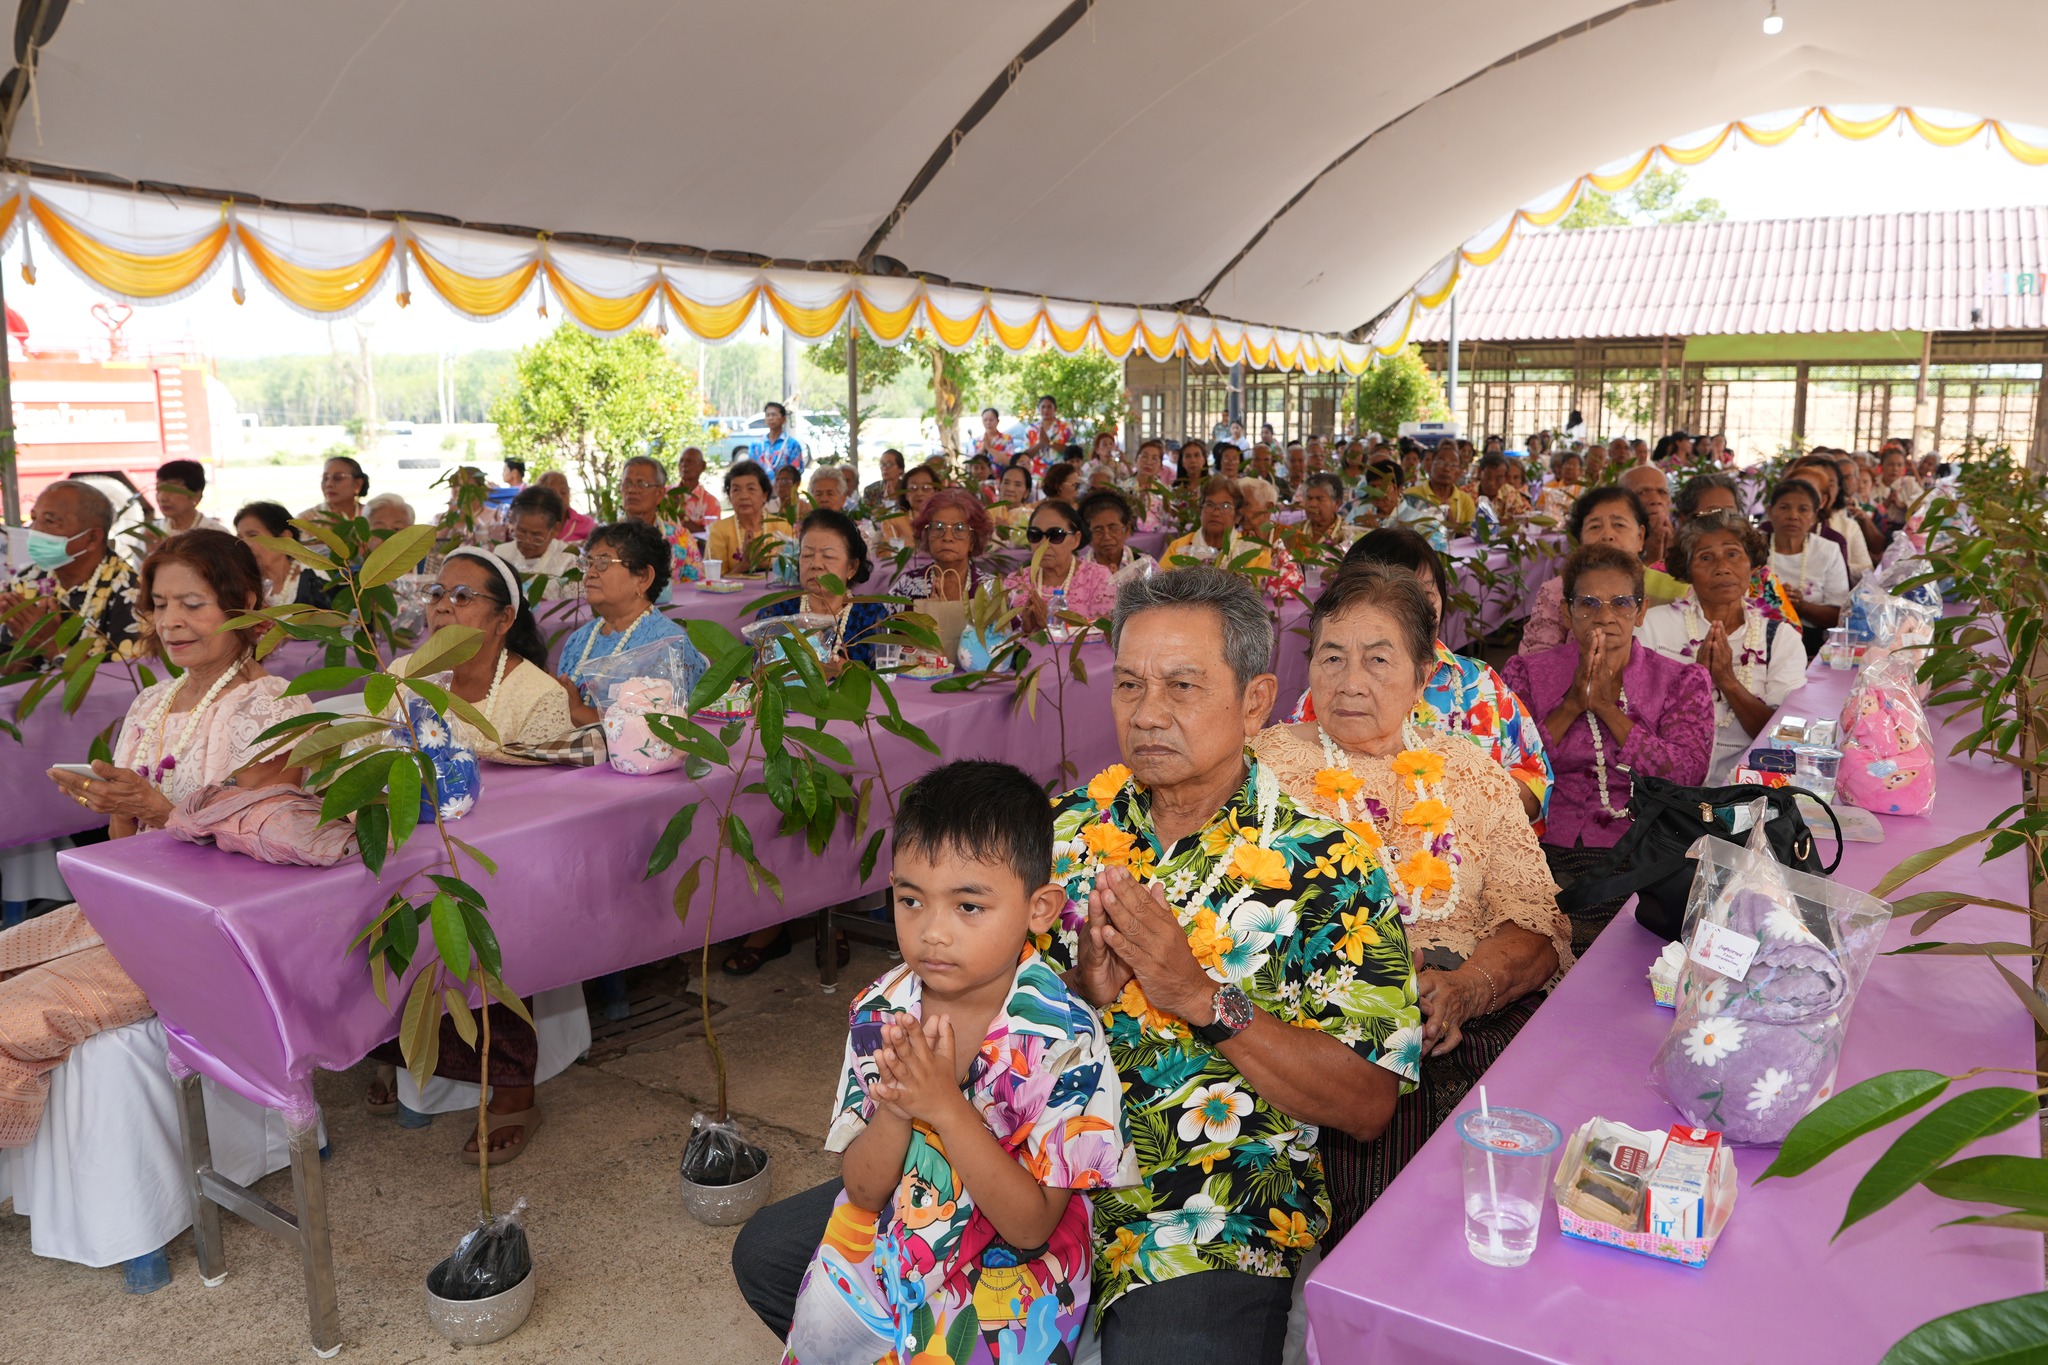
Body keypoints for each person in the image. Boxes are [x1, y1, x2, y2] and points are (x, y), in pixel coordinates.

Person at [734, 569, 1420, 1363]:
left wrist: (1201, 996)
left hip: (1195, 1206)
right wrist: (1081, 990)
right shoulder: (1060, 832)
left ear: (1255, 701)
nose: (1148, 712)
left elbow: (1369, 1103)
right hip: (1005, 1162)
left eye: (1182, 685)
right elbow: (964, 990)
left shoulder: (1329, 866)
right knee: (774, 1256)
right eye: (1129, 684)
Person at [778, 760, 1138, 1365]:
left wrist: (944, 1108)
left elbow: (1031, 1227)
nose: (933, 933)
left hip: (1004, 1311)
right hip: (882, 1280)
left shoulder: (1065, 1040)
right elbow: (862, 1190)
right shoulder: (881, 1011)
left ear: (1040, 908)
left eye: (968, 906)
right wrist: (898, 1109)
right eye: (910, 900)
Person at [1254, 565, 1572, 1242]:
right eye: (1331, 657)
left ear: (1424, 675)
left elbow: (1534, 924)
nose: (1350, 681)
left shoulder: (1474, 774)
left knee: (1513, 1162)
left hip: (1464, 1008)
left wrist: (1468, 987)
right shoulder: (1263, 768)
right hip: (1320, 1027)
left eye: (1378, 659)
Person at [6, 531, 308, 1147]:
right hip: (130, 906)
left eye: (193, 604)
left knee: (12, 1019)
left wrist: (158, 808)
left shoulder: (272, 707)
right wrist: (115, 804)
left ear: (245, 605)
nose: (171, 622)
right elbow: (122, 841)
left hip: (211, 930)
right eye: (161, 604)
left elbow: (265, 846)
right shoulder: (152, 702)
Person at [369, 549, 575, 1157]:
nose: (443, 606)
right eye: (437, 593)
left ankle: (513, 1086)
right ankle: (395, 1051)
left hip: (501, 857)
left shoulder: (535, 692)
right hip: (416, 840)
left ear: (503, 618)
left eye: (463, 597)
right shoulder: (405, 672)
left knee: (488, 920)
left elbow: (548, 802)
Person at [1500, 545, 1715, 955]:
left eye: (1621, 602)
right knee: (1535, 943)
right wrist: (1570, 706)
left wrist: (1606, 709)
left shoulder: (1680, 680)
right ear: (1566, 613)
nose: (1604, 615)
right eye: (1588, 603)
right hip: (1540, 844)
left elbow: (1688, 772)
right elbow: (1508, 766)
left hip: (1644, 848)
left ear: (1641, 610)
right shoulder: (1526, 673)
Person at [1296, 529, 1553, 823]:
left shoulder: (1481, 685)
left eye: (1425, 594)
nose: (1414, 611)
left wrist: (1467, 799)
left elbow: (1536, 785)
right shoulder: (1327, 698)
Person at [1638, 510, 1809, 781]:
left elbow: (1783, 737)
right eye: (1706, 558)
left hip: (1745, 788)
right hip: (1663, 785)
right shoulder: (1651, 626)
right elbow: (1636, 720)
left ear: (1752, 565)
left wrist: (1727, 681)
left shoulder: (1780, 638)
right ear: (1687, 571)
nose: (1722, 567)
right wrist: (1693, 683)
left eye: (1732, 554)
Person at [557, 520, 689, 726]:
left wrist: (578, 711)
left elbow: (657, 729)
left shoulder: (666, 644)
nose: (590, 573)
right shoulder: (579, 640)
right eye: (588, 564)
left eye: (603, 562)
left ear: (643, 577)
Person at [1518, 486, 1674, 658]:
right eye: (1594, 526)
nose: (1607, 535)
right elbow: (1536, 658)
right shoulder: (1555, 592)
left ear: (1640, 537)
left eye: (1619, 525)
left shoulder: (1672, 591)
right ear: (1580, 539)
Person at [1, 479, 140, 667]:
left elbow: (126, 680)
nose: (35, 530)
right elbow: (9, 672)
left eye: (49, 521)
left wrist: (50, 644)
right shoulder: (27, 580)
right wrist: (26, 645)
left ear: (92, 538)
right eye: (34, 519)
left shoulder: (131, 591)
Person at [896, 489, 993, 659]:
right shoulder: (907, 585)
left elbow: (1009, 642)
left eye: (960, 529)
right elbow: (886, 640)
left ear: (973, 540)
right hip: (921, 673)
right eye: (938, 528)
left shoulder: (989, 587)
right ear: (926, 536)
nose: (947, 537)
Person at [1003, 500, 1118, 632]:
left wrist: (1048, 623)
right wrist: (1024, 630)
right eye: (1035, 535)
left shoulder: (1097, 578)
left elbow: (1106, 632)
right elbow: (1000, 635)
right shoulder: (1016, 581)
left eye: (1055, 535)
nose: (1043, 544)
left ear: (1076, 540)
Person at [1763, 477, 1847, 646]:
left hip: (1810, 642)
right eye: (1784, 507)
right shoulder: (1754, 547)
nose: (1793, 516)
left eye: (1803, 509)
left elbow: (1839, 615)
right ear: (1770, 511)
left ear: (1814, 516)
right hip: (1759, 637)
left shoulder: (1828, 550)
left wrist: (1802, 606)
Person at [621, 453, 705, 585]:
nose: (631, 490)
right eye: (627, 483)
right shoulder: (608, 539)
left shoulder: (681, 538)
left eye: (641, 484)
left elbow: (696, 588)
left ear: (659, 493)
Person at [232, 501, 333, 608]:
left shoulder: (313, 578)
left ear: (284, 538)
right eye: (239, 538)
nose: (244, 544)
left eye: (253, 535)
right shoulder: (239, 583)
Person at [1164, 476, 1271, 574]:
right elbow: (1160, 584)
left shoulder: (1254, 554)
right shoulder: (1179, 548)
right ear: (1201, 511)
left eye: (1225, 506)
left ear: (1238, 516)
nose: (1215, 513)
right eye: (1209, 505)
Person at [706, 460, 791, 575]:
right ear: (729, 496)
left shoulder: (783, 526)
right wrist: (745, 564)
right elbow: (714, 580)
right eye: (736, 490)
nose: (744, 496)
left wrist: (763, 562)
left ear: (764, 494)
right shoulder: (719, 530)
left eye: (751, 489)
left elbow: (793, 572)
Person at [495, 486, 579, 595]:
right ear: (513, 522)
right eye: (521, 532)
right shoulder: (501, 554)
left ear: (555, 529)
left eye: (536, 535)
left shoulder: (569, 560)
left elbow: (574, 603)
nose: (527, 541)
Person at [1234, 477, 1306, 598]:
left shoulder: (1291, 536)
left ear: (1268, 508)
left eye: (1246, 504)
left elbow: (1303, 577)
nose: (1240, 511)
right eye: (1238, 505)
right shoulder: (1235, 539)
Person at [1077, 488, 1156, 587]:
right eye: (1098, 530)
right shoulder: (1078, 570)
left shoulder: (1145, 566)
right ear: (1087, 534)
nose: (1107, 536)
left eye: (1113, 528)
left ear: (1126, 529)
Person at [149, 458, 226, 541]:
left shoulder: (217, 535)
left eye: (172, 490)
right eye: (158, 489)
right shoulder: (150, 532)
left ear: (196, 495)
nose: (163, 498)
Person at [1287, 472, 1357, 562]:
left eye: (1320, 499)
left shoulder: (1348, 536)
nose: (1312, 504)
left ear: (1337, 504)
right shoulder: (1293, 531)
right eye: (1309, 498)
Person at [1406, 445, 1477, 530]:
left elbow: (1473, 534)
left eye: (1453, 465)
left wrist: (1454, 526)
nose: (1446, 469)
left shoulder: (1465, 501)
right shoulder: (1410, 495)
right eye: (1441, 463)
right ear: (1431, 466)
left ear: (1459, 471)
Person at [1617, 463, 1674, 568]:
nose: (1656, 500)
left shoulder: (1686, 542)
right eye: (1642, 492)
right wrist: (1652, 559)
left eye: (1662, 492)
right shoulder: (1613, 542)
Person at [748, 401, 806, 480]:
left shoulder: (792, 445)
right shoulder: (756, 445)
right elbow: (750, 471)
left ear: (783, 419)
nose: (770, 418)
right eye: (768, 415)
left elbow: (797, 472)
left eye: (774, 415)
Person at [303, 455, 369, 524]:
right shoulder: (306, 520)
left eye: (338, 478)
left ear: (357, 484)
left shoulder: (372, 516)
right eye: (325, 478)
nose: (329, 484)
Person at [536, 470, 598, 543]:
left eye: (563, 492)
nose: (559, 497)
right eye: (552, 493)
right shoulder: (532, 523)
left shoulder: (587, 523)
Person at [674, 446, 722, 535]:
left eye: (689, 461)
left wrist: (682, 517)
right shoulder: (665, 493)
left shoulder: (711, 502)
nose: (684, 464)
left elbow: (711, 535)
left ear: (702, 466)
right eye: (681, 461)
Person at [1020, 395, 1072, 469]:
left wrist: (1049, 443)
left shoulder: (1066, 427)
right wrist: (1040, 444)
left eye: (1049, 407)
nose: (1046, 410)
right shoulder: (1031, 429)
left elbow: (1071, 451)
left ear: (1055, 409)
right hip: (1036, 472)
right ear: (1039, 409)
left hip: (1060, 470)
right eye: (1043, 407)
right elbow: (1024, 455)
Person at [987, 461, 1037, 534]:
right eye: (1006, 483)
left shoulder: (1032, 517)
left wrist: (1008, 532)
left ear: (1026, 492)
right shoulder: (988, 512)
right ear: (999, 486)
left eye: (1017, 485)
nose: (1010, 489)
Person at [862, 447, 906, 511]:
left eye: (889, 464)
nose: (885, 468)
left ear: (900, 469)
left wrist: (894, 499)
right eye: (882, 464)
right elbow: (866, 514)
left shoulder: (907, 489)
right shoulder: (871, 490)